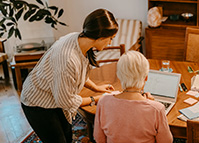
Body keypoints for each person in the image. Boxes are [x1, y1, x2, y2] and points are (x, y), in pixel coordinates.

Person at [21, 9, 117, 143]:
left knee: (67, 136)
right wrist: (95, 99)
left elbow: (77, 74)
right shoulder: (67, 59)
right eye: (111, 38)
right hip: (37, 101)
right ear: (100, 37)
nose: (111, 43)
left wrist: (96, 87)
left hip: (55, 95)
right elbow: (66, 101)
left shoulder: (79, 39)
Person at [93, 51, 173, 143]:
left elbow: (99, 138)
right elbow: (166, 141)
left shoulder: (103, 102)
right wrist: (152, 103)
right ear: (146, 78)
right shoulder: (157, 109)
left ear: (119, 76)